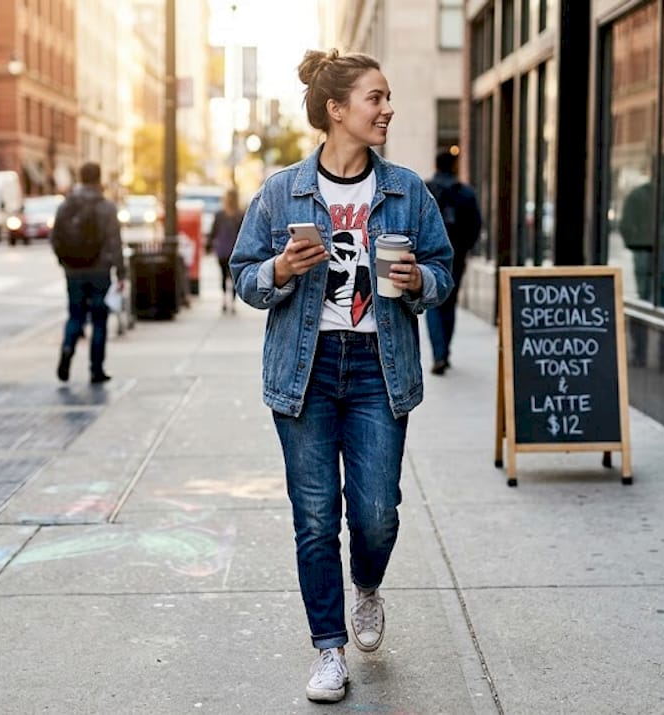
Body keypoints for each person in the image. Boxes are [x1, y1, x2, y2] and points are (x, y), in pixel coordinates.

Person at [229, 48, 453, 703]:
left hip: (379, 369)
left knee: (377, 513)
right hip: (306, 370)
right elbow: (244, 275)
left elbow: (441, 269)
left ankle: (368, 586)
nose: (388, 109)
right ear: (337, 109)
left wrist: (421, 281)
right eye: (375, 98)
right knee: (316, 515)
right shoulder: (282, 190)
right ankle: (328, 648)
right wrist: (281, 270)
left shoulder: (407, 189)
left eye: (386, 98)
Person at [51, 161, 125, 384]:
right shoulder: (106, 207)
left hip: (73, 270)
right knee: (99, 320)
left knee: (75, 315)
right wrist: (121, 273)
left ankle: (67, 348)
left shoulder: (66, 205)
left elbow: (55, 237)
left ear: (81, 178)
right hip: (100, 270)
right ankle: (96, 369)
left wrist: (64, 262)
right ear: (98, 179)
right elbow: (115, 242)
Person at [424, 149, 482, 375]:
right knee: (449, 303)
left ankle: (439, 354)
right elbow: (475, 226)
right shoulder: (465, 193)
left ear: (436, 165)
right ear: (454, 166)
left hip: (429, 257)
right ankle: (444, 352)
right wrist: (464, 248)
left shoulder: (427, 189)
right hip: (456, 256)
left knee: (434, 305)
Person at [618, 154, 664, 306]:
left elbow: (625, 226)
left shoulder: (639, 194)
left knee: (647, 296)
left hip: (651, 250)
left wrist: (636, 243)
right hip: (663, 250)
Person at [210, 187, 244, 313]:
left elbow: (213, 232)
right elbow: (213, 231)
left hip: (230, 250)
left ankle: (230, 301)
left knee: (229, 277)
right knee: (228, 276)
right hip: (226, 250)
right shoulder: (222, 214)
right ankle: (227, 300)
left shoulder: (239, 215)